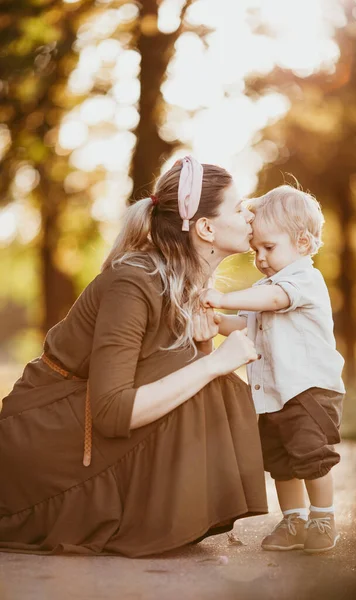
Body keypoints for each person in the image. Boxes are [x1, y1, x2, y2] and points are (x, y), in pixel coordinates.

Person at [0, 156, 268, 558]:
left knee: (216, 384)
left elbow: (167, 379)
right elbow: (111, 411)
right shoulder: (133, 281)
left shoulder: (187, 285)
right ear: (206, 227)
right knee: (216, 380)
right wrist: (213, 362)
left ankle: (168, 516)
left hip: (78, 423)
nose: (250, 215)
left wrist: (206, 350)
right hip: (44, 438)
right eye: (238, 206)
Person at [201, 184, 345, 554]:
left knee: (312, 457)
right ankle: (294, 520)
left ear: (302, 243)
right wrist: (218, 321)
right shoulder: (265, 287)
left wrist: (224, 297)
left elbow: (276, 301)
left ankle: (323, 517)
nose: (261, 258)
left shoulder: (302, 280)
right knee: (281, 463)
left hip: (309, 390)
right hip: (274, 394)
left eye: (269, 247)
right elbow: (248, 322)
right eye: (255, 251)